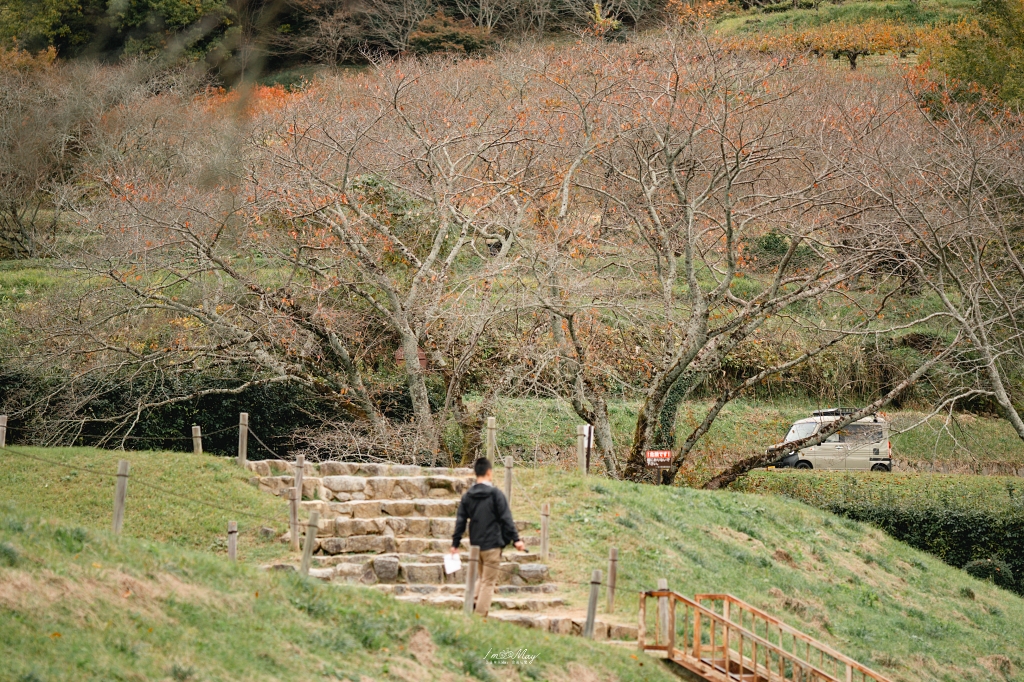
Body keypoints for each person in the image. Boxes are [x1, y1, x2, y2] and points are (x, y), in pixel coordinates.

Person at [451, 457, 525, 616]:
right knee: (488, 582)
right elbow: (506, 519)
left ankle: (471, 604)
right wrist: (516, 540)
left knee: (482, 577)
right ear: (489, 472)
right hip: (492, 545)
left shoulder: (468, 496)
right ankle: (479, 615)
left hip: (475, 546)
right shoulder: (496, 494)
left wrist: (455, 544)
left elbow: (461, 521)